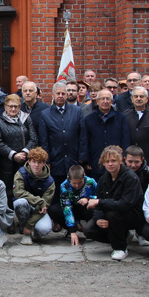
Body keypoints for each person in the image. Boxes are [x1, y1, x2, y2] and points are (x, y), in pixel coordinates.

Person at [35, 81, 87, 224]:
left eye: (63, 93)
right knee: (57, 192)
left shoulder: (76, 111)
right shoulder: (45, 114)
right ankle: (59, 221)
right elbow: (43, 139)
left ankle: (75, 221)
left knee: (74, 191)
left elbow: (82, 135)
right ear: (52, 95)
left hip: (73, 157)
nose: (61, 96)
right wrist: (47, 160)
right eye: (58, 93)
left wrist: (82, 157)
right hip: (56, 159)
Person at [83, 145, 143, 260]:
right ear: (103, 163)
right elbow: (98, 205)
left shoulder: (130, 177)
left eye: (113, 161)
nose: (110, 164)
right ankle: (123, 235)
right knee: (89, 230)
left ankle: (120, 248)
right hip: (111, 213)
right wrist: (99, 218)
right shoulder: (103, 179)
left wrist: (99, 202)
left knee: (112, 214)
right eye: (107, 161)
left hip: (132, 215)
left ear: (120, 161)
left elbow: (125, 204)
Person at [0, 94, 38, 205]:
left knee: (25, 188)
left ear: (20, 106)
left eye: (16, 106)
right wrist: (13, 155)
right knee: (8, 190)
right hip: (7, 163)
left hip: (24, 160)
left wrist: (25, 152)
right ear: (5, 106)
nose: (13, 109)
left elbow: (33, 138)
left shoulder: (26, 119)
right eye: (10, 106)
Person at [83, 89, 130, 178]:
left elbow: (125, 139)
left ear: (112, 101)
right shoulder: (89, 119)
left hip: (116, 162)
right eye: (102, 99)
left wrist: (123, 157)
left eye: (108, 99)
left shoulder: (121, 118)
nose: (105, 101)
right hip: (96, 161)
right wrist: (87, 160)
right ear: (97, 101)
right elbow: (86, 141)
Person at [12, 146, 55, 244]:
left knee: (45, 229)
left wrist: (29, 225)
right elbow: (18, 192)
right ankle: (25, 233)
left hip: (39, 210)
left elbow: (45, 205)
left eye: (40, 162)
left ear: (44, 163)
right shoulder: (21, 173)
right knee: (20, 203)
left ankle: (32, 231)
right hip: (27, 205)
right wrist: (39, 201)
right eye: (34, 162)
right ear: (29, 161)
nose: (36, 165)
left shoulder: (50, 181)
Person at [59, 164, 98, 246]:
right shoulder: (64, 186)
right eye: (74, 183)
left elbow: (99, 196)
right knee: (55, 210)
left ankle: (91, 229)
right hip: (72, 208)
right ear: (69, 178)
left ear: (84, 176)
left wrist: (88, 199)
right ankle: (72, 228)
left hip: (86, 208)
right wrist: (72, 230)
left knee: (96, 208)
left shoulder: (91, 182)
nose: (77, 186)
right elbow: (66, 207)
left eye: (80, 183)